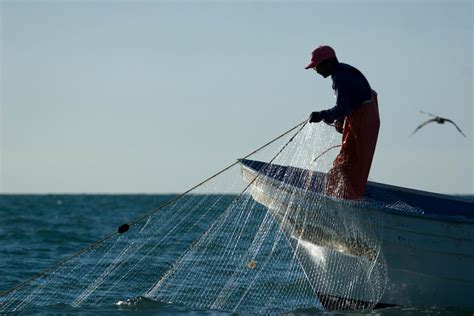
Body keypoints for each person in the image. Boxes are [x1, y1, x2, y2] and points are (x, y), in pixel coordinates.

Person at [305, 45, 380, 200]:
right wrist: (340, 119)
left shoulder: (340, 77)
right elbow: (351, 103)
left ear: (327, 63)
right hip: (365, 120)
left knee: (348, 165)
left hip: (364, 123)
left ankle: (344, 200)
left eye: (317, 67)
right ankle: (346, 196)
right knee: (349, 164)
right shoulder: (344, 72)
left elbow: (342, 108)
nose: (317, 71)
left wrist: (321, 115)